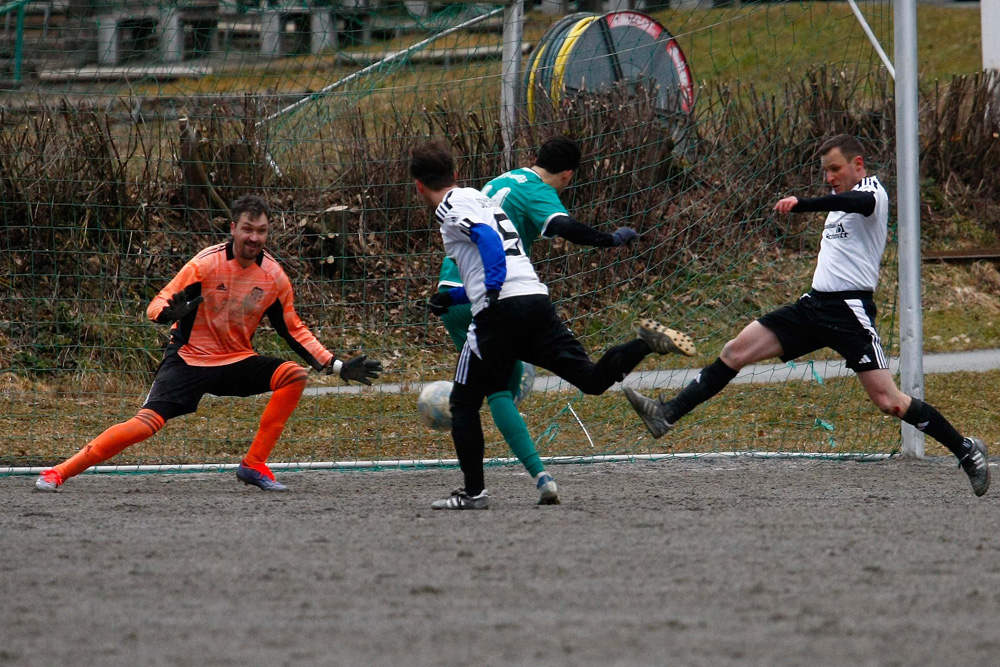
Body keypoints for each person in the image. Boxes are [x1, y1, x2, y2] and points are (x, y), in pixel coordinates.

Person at [623, 134, 990, 497]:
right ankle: (666, 414)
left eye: (835, 168)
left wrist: (803, 203)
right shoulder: (836, 200)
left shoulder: (872, 192)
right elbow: (840, 203)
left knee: (889, 401)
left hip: (849, 313)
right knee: (735, 351)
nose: (830, 177)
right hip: (812, 307)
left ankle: (965, 449)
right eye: (825, 171)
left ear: (857, 165)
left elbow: (856, 200)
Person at [411, 138, 696, 510]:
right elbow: (495, 254)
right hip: (534, 299)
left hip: (500, 311)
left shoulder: (451, 205)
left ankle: (474, 494)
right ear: (457, 173)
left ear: (417, 184)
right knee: (592, 380)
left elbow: (488, 246)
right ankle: (643, 343)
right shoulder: (475, 197)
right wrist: (455, 297)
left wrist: (492, 291)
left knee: (464, 403)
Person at [34, 195, 382, 493]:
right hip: (188, 360)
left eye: (261, 231)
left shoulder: (274, 276)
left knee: (293, 376)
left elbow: (292, 328)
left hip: (236, 361)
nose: (254, 237)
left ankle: (253, 465)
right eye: (247, 229)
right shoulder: (205, 264)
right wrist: (169, 312)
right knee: (145, 424)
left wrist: (335, 365)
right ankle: (60, 471)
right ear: (233, 228)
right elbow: (156, 304)